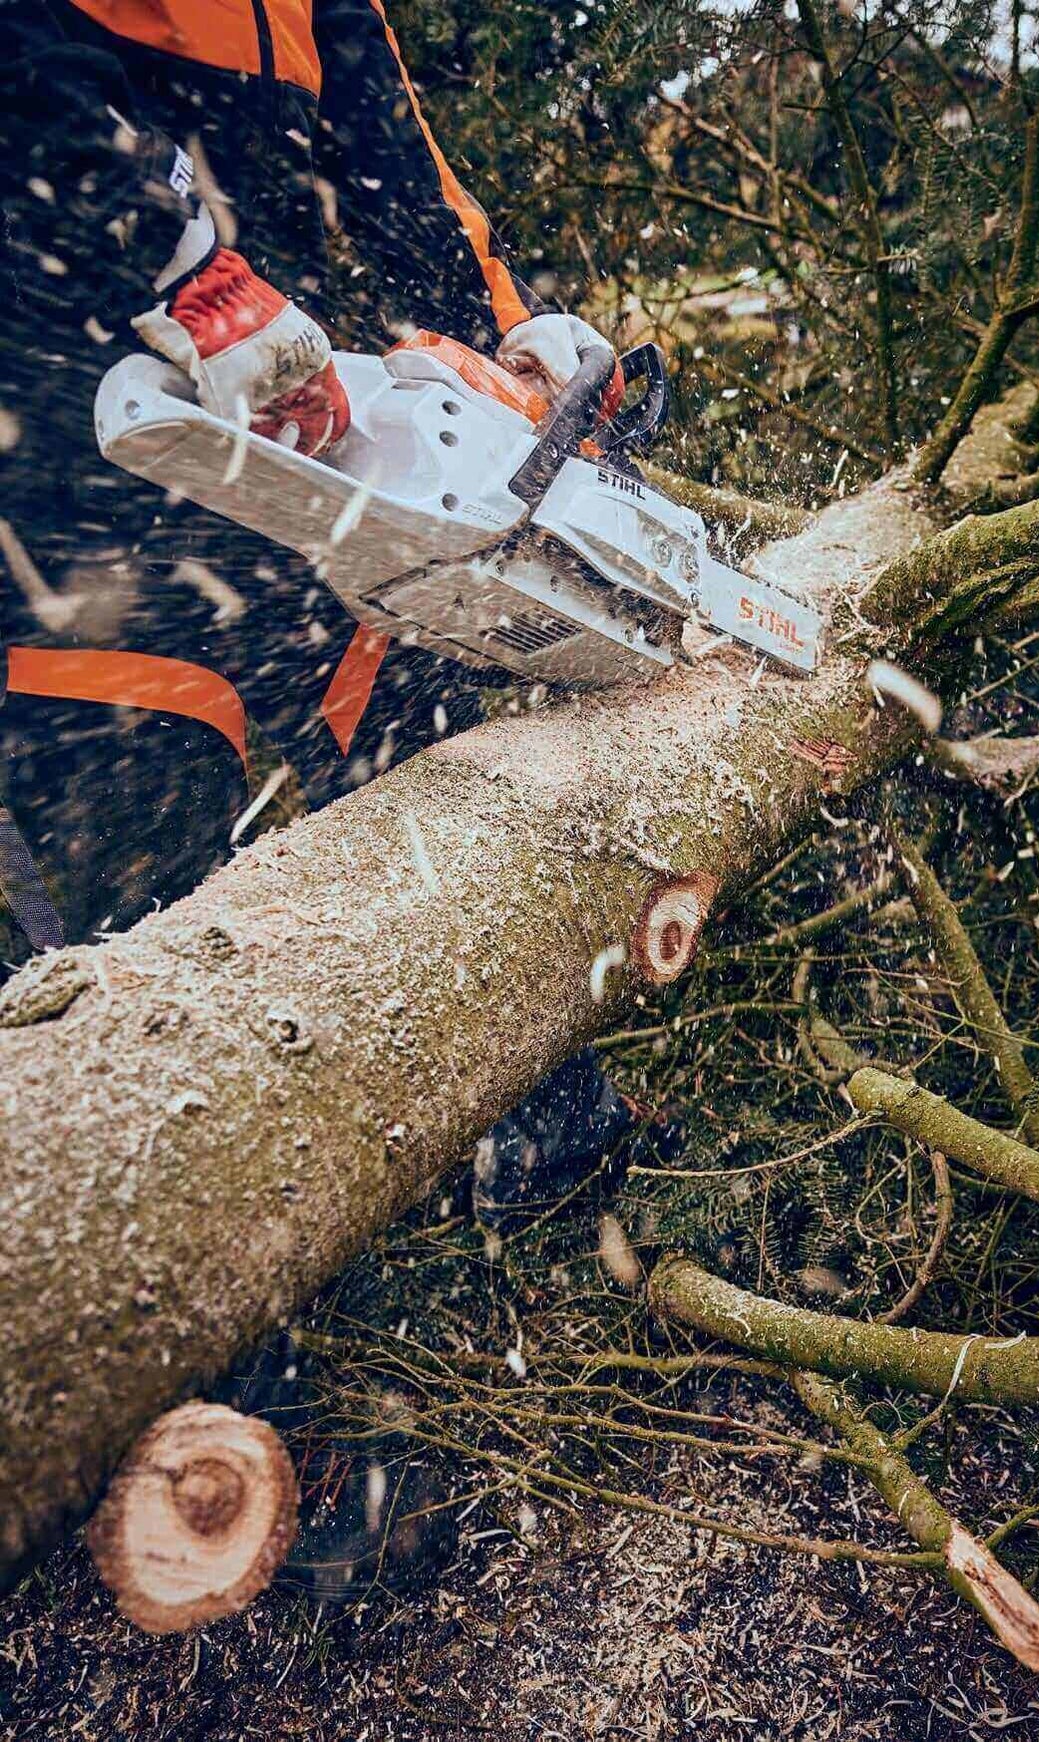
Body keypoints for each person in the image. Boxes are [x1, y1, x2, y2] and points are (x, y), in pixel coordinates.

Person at [0, 0, 672, 1597]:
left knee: (421, 735)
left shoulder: (323, 11)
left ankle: (522, 1122)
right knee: (151, 929)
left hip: (258, 479)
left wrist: (517, 345)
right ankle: (229, 1432)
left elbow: (405, 189)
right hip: (60, 477)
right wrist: (176, 263)